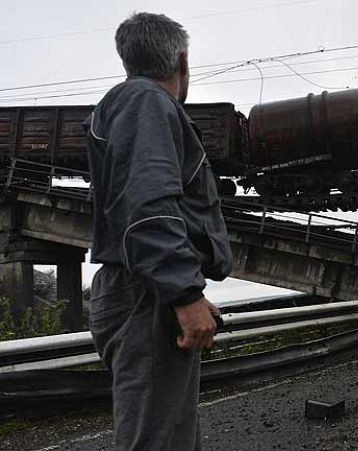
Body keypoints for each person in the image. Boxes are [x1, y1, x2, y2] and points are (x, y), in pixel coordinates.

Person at [83, 12, 233, 450]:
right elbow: (148, 207)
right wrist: (184, 295)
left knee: (171, 438)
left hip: (144, 291)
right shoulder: (146, 102)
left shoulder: (130, 104)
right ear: (182, 62)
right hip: (143, 296)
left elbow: (142, 208)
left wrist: (187, 292)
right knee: (157, 442)